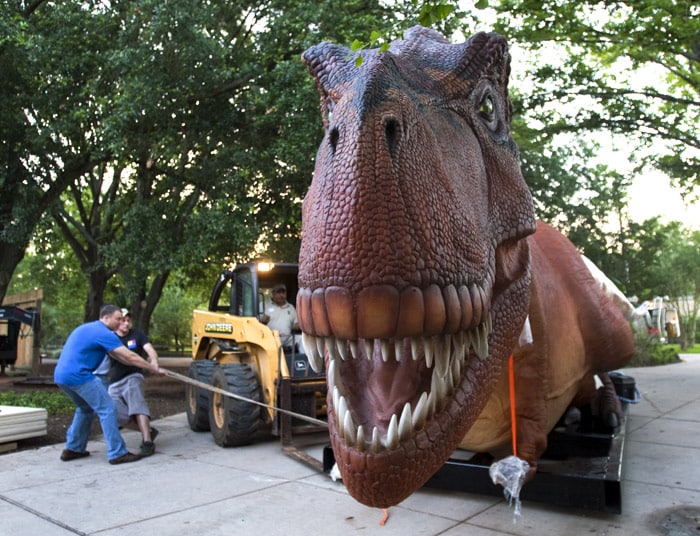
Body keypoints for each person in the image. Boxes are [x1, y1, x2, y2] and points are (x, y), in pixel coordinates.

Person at [53, 304, 164, 465]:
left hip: (61, 376)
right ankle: (117, 453)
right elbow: (130, 356)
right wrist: (151, 368)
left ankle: (73, 448)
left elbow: (120, 357)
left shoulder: (89, 329)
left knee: (85, 409)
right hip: (79, 375)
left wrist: (149, 366)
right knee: (107, 408)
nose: (120, 323)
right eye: (117, 319)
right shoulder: (104, 332)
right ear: (105, 318)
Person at [108, 308, 160, 457]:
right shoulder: (110, 337)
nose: (126, 323)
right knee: (114, 413)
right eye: (122, 320)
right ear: (117, 322)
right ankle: (148, 430)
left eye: (128, 320)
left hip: (134, 375)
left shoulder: (137, 334)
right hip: (115, 381)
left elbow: (150, 349)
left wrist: (154, 361)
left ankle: (148, 442)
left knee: (137, 404)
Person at [260, 283, 299, 352]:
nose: (281, 295)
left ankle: (305, 361)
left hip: (287, 338)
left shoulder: (290, 307)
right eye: (278, 292)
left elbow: (296, 323)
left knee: (301, 339)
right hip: (270, 338)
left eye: (283, 292)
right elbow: (256, 323)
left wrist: (296, 325)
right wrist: (262, 322)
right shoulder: (264, 305)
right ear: (273, 293)